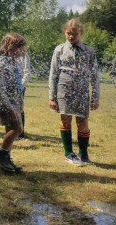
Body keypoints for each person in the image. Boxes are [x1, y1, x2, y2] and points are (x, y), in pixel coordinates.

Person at [49, 19, 100, 166]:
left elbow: (95, 75)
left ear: (81, 33)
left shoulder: (89, 51)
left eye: (74, 34)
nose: (71, 37)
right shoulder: (60, 49)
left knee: (82, 121)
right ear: (65, 32)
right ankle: (69, 153)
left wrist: (95, 97)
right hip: (64, 89)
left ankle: (83, 153)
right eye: (68, 34)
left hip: (82, 90)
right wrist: (52, 97)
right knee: (65, 119)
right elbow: (53, 73)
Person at [0, 33, 27, 173]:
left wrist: (20, 102)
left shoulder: (14, 62)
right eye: (19, 49)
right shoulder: (0, 63)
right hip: (4, 102)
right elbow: (0, 89)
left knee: (11, 129)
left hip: (14, 100)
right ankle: (0, 154)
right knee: (18, 129)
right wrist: (10, 108)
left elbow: (17, 84)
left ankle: (6, 159)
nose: (21, 52)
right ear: (10, 47)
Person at [16, 51, 31, 140]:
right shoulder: (7, 54)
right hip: (8, 86)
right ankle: (10, 132)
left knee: (18, 109)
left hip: (19, 87)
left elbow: (27, 72)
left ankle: (20, 134)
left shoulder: (24, 56)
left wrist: (20, 85)